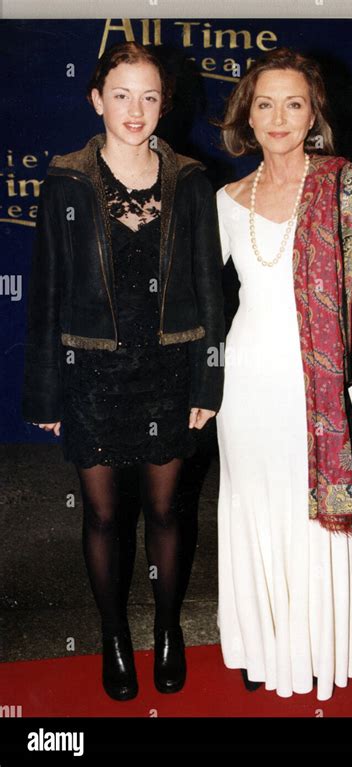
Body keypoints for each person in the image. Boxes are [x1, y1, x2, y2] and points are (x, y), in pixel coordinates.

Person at [21, 42, 225, 701]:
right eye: (121, 94)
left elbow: (211, 293)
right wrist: (46, 386)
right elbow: (47, 290)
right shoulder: (66, 182)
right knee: (105, 517)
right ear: (95, 99)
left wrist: (208, 379)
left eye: (150, 96)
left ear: (165, 103)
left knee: (167, 509)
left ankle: (167, 628)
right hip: (92, 376)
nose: (135, 110)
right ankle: (113, 634)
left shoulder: (192, 181)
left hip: (170, 369)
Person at [215, 47, 352, 701]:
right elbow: (195, 301)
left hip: (313, 385)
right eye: (264, 103)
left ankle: (312, 651)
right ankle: (259, 646)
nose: (278, 116)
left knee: (308, 513)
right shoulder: (225, 199)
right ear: (248, 112)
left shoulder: (348, 190)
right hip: (242, 383)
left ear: (313, 113)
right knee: (252, 508)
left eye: (294, 103)